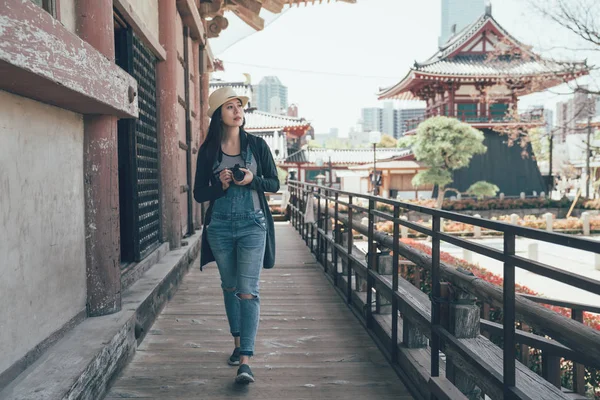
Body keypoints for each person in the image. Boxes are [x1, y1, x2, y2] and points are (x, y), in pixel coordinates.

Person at [193, 87, 279, 384]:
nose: (238, 111)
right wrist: (221, 186)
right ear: (219, 115)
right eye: (230, 107)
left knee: (248, 290)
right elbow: (198, 193)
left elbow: (275, 183)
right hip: (219, 227)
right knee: (230, 287)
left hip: (253, 225)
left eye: (240, 106)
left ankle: (245, 360)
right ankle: (236, 342)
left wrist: (254, 179)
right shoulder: (208, 151)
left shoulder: (257, 146)